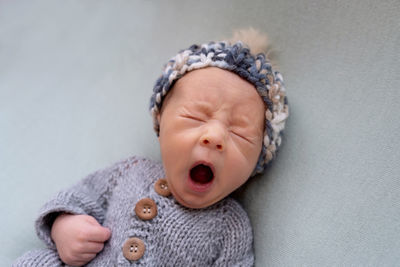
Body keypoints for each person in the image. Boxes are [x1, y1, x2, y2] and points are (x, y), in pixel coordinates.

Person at [14, 29, 289, 266]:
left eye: (240, 132)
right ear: (160, 121)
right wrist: (64, 227)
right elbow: (75, 198)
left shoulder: (231, 229)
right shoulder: (129, 171)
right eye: (195, 117)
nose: (215, 136)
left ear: (259, 161)